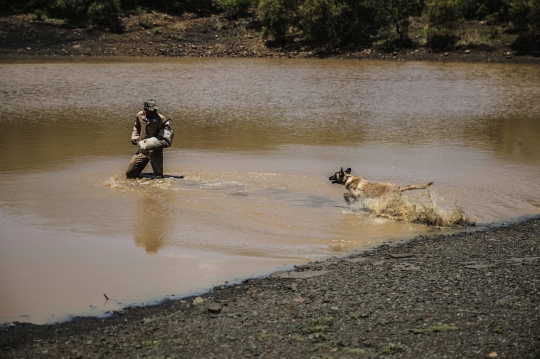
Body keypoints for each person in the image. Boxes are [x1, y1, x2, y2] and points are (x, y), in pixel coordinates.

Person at [126, 99, 172, 179]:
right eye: (151, 110)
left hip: (156, 150)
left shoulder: (161, 119)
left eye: (155, 110)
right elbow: (136, 127)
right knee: (130, 175)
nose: (154, 112)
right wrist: (134, 137)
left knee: (159, 177)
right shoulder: (139, 115)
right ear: (145, 109)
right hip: (143, 150)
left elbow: (166, 136)